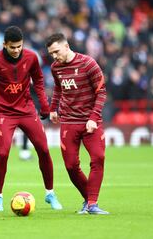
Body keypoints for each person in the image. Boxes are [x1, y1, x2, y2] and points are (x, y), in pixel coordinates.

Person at [0, 26, 62, 211]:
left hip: (27, 110)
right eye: (12, 47)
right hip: (4, 113)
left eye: (19, 46)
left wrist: (45, 105)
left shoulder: (31, 57)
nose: (16, 50)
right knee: (2, 153)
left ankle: (50, 193)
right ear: (4, 45)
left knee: (44, 150)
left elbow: (39, 82)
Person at [45, 33, 109, 215]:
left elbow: (101, 92)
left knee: (98, 158)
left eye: (56, 51)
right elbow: (58, 87)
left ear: (66, 46)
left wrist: (93, 117)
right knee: (71, 166)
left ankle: (92, 204)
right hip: (68, 121)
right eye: (51, 54)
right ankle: (88, 200)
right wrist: (53, 107)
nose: (55, 56)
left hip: (90, 121)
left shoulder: (88, 63)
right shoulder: (55, 67)